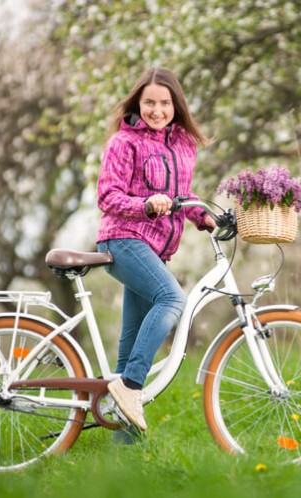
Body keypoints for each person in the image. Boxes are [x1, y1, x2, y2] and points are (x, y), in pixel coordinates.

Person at [96, 67, 215, 434]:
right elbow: (107, 196)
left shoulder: (183, 144)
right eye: (149, 102)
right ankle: (131, 386)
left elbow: (181, 196)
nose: (157, 110)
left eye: (164, 103)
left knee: (129, 349)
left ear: (176, 106)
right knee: (172, 299)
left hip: (154, 251)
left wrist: (203, 215)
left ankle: (123, 463)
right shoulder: (123, 142)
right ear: (138, 103)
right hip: (123, 239)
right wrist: (146, 206)